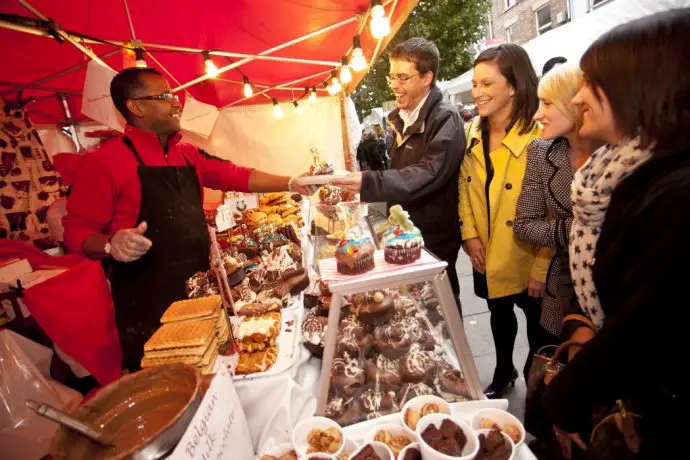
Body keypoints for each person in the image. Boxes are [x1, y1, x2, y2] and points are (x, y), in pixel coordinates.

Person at [64, 67, 316, 371]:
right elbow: (75, 232)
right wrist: (109, 245)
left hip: (202, 291)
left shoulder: (186, 154)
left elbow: (234, 174)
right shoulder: (103, 164)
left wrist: (291, 182)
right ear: (137, 106)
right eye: (166, 96)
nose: (176, 103)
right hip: (148, 304)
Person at [543, 9, 690, 458]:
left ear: (640, 85)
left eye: (593, 83)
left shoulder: (674, 192)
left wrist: (564, 401)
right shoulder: (622, 171)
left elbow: (642, 325)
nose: (580, 96)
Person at [332, 37, 465, 307]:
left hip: (433, 237)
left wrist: (370, 182)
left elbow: (428, 172)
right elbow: (397, 171)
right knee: (411, 310)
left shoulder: (445, 118)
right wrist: (371, 207)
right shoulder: (398, 118)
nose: (394, 85)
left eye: (403, 78)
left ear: (427, 77)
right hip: (402, 233)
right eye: (392, 76)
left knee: (442, 307)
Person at [459, 43, 552, 399]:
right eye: (475, 84)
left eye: (486, 84)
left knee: (539, 334)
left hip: (529, 258)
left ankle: (539, 394)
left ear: (513, 85)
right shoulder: (473, 131)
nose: (476, 92)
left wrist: (541, 268)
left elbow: (554, 210)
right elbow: (465, 189)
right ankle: (503, 369)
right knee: (499, 317)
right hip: (487, 253)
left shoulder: (541, 136)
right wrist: (469, 235)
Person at [513, 64, 600, 342]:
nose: (538, 113)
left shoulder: (615, 154)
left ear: (576, 102)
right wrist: (579, 229)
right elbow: (524, 226)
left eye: (547, 103)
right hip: (563, 290)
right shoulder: (540, 151)